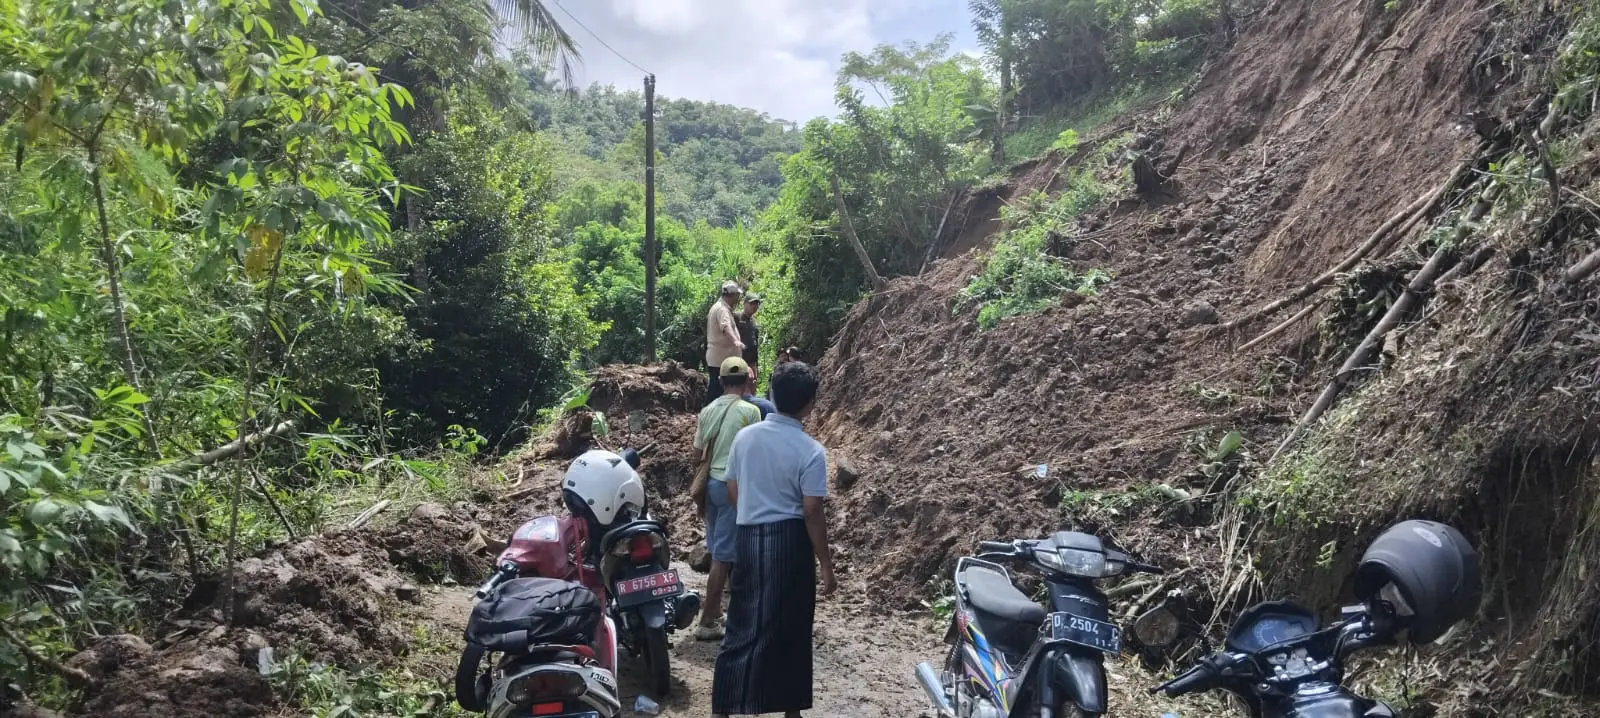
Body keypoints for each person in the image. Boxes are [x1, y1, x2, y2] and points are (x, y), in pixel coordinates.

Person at [712, 361, 835, 718]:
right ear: (810, 402)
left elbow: (733, 487)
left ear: (772, 394)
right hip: (790, 543)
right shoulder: (810, 450)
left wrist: (753, 512)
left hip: (749, 538)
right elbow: (812, 511)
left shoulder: (745, 438)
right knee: (793, 628)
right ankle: (790, 711)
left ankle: (724, 707)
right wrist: (826, 565)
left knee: (741, 623)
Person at [693, 357, 763, 641]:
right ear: (747, 380)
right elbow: (755, 454)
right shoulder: (751, 411)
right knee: (723, 556)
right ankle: (707, 621)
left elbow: (696, 455)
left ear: (720, 381)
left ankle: (720, 612)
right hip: (735, 487)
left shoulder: (708, 410)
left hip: (711, 486)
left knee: (719, 548)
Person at [704, 281, 745, 407]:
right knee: (717, 390)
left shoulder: (719, 307)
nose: (738, 298)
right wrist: (735, 341)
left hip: (718, 358)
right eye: (737, 295)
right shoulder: (722, 309)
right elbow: (726, 326)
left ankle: (712, 412)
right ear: (731, 295)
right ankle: (711, 413)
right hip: (721, 359)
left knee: (716, 389)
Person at [735, 293, 762, 376]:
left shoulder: (754, 321)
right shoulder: (736, 317)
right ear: (745, 303)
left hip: (751, 361)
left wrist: (756, 365)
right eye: (752, 303)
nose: (754, 306)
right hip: (738, 361)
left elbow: (755, 344)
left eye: (756, 304)